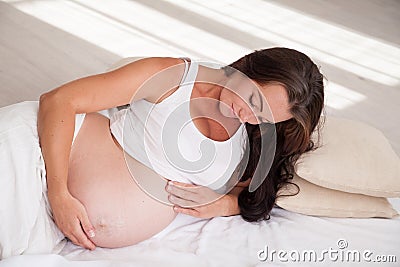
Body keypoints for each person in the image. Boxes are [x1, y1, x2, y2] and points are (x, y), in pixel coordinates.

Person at [0, 47, 324, 258]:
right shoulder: (173, 78)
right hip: (37, 162)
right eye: (255, 101)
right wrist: (59, 194)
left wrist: (224, 204)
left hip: (59, 228)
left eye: (267, 117)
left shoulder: (252, 137)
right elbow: (59, 100)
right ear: (245, 68)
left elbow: (251, 194)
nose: (250, 117)